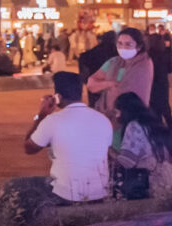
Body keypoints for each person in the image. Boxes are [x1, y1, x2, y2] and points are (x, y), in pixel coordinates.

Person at [25, 71, 113, 204]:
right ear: (80, 93)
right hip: (99, 193)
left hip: (66, 195)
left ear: (58, 97)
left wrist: (41, 115)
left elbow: (29, 147)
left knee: (19, 186)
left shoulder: (52, 121)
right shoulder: (103, 120)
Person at [110, 90, 172, 201]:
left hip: (150, 184)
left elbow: (127, 162)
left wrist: (108, 149)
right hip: (168, 180)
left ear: (125, 112)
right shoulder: (153, 123)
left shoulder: (134, 127)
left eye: (117, 112)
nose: (116, 117)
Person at [90, 27, 153, 112]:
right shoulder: (114, 62)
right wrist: (109, 84)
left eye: (128, 44)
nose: (123, 47)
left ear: (139, 47)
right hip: (108, 114)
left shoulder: (144, 65)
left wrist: (103, 86)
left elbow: (129, 93)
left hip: (133, 115)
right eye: (120, 43)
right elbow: (91, 84)